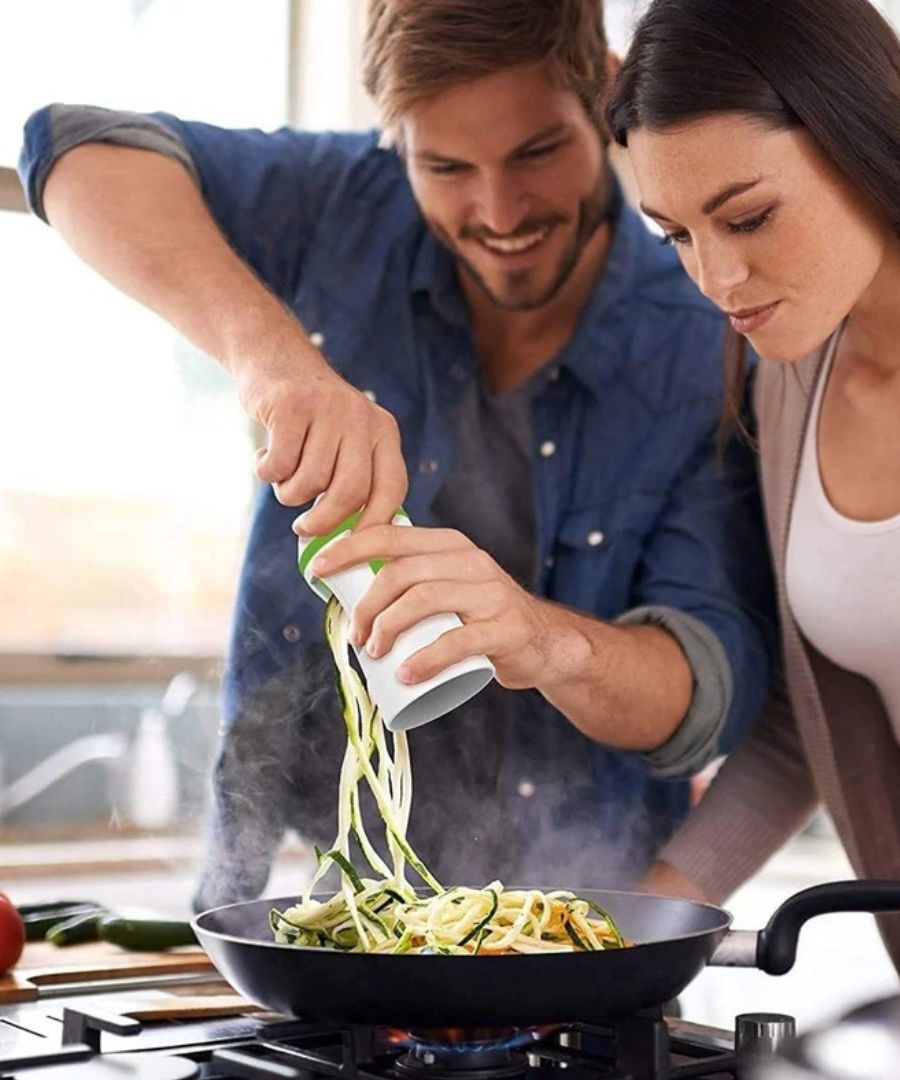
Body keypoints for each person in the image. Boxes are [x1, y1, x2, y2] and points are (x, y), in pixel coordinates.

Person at [19, 0, 774, 905]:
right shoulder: (345, 202)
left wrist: (539, 640)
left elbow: (705, 691)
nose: (498, 212)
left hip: (568, 937)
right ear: (396, 143)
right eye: (445, 166)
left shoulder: (707, 332)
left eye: (536, 153)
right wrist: (277, 365)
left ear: (606, 97)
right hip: (281, 903)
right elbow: (71, 150)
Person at [607, 0, 900, 980]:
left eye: (748, 217)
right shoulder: (790, 376)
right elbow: (813, 711)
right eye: (676, 236)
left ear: (860, 135)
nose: (719, 278)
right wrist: (633, 929)